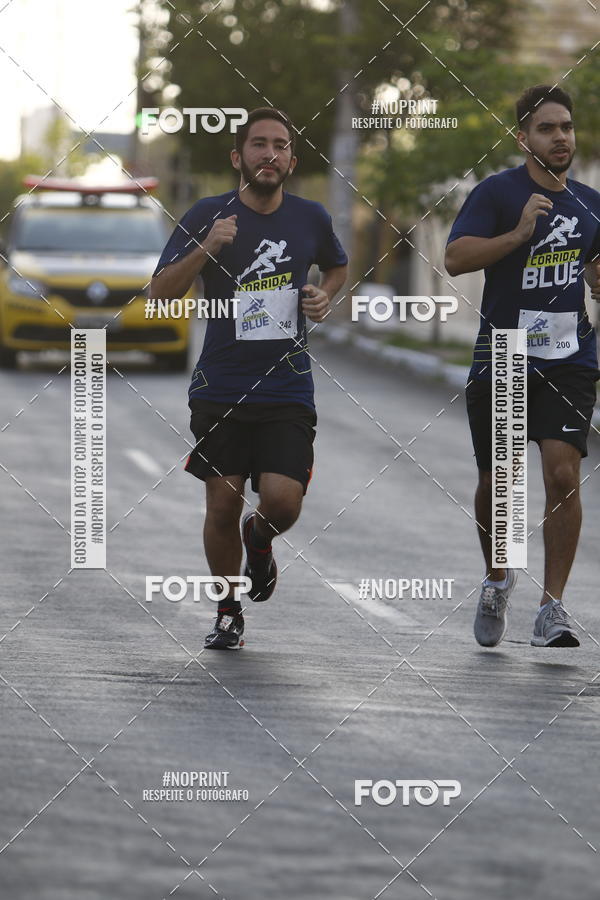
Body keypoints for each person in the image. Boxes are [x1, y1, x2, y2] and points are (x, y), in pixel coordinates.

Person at [150, 107, 348, 650]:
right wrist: (207, 247)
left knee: (283, 502)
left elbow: (336, 266)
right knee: (221, 503)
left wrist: (324, 294)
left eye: (280, 145)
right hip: (220, 388)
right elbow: (160, 293)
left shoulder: (311, 218)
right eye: (259, 144)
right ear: (238, 157)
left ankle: (258, 541)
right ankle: (227, 610)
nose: (270, 154)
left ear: (292, 158)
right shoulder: (206, 215)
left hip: (287, 388)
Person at [445, 85, 600, 649]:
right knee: (500, 483)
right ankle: (497, 577)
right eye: (547, 129)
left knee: (563, 473)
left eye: (566, 127)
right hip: (505, 351)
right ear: (523, 138)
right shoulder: (497, 193)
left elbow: (595, 268)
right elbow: (455, 258)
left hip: (570, 354)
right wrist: (516, 235)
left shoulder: (590, 202)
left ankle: (552, 608)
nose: (560, 137)